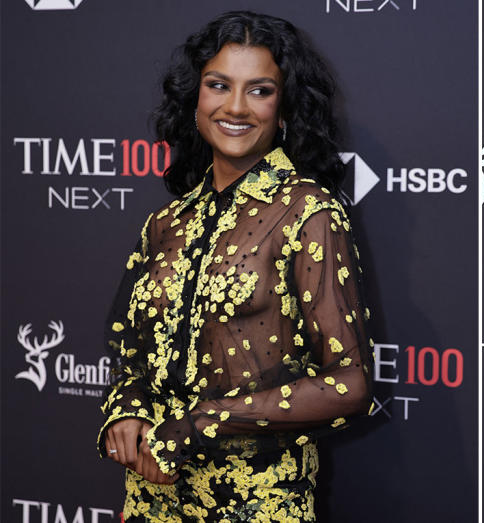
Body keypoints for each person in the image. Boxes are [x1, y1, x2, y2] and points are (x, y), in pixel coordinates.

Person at [96, 11, 374, 522]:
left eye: (260, 90)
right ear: (195, 99)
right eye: (218, 85)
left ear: (285, 106)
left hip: (257, 501)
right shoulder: (167, 220)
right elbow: (127, 347)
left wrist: (197, 425)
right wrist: (127, 407)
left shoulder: (309, 212)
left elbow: (348, 385)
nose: (236, 107)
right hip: (150, 496)